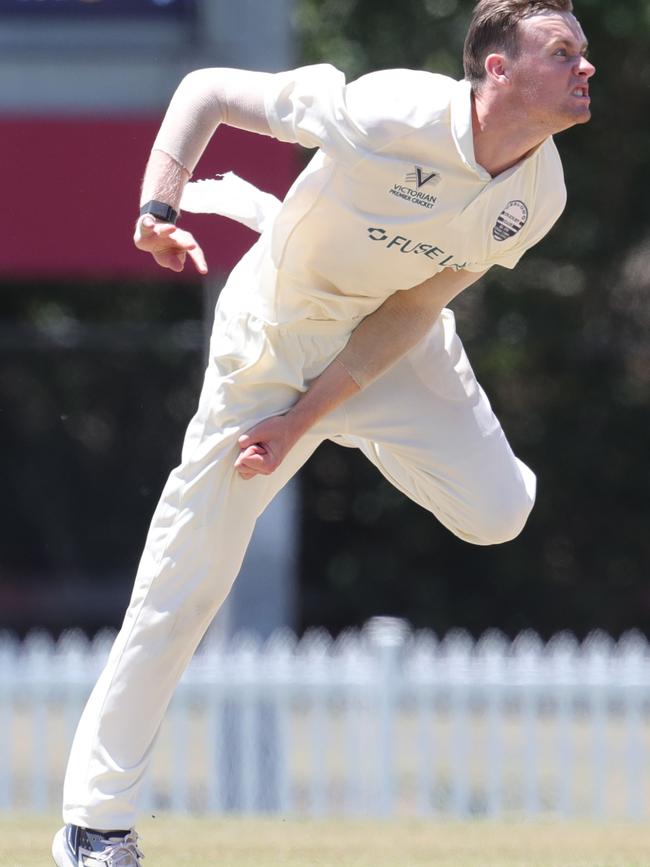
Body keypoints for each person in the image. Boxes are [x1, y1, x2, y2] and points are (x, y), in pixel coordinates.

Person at [52, 0, 594, 863]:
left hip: (391, 340)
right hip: (271, 341)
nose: (585, 67)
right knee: (183, 585)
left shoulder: (543, 191)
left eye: (584, 52)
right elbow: (208, 88)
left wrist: (312, 418)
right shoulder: (386, 109)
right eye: (563, 50)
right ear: (497, 70)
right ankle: (93, 825)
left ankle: (345, 425)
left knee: (501, 511)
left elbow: (418, 302)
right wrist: (158, 203)